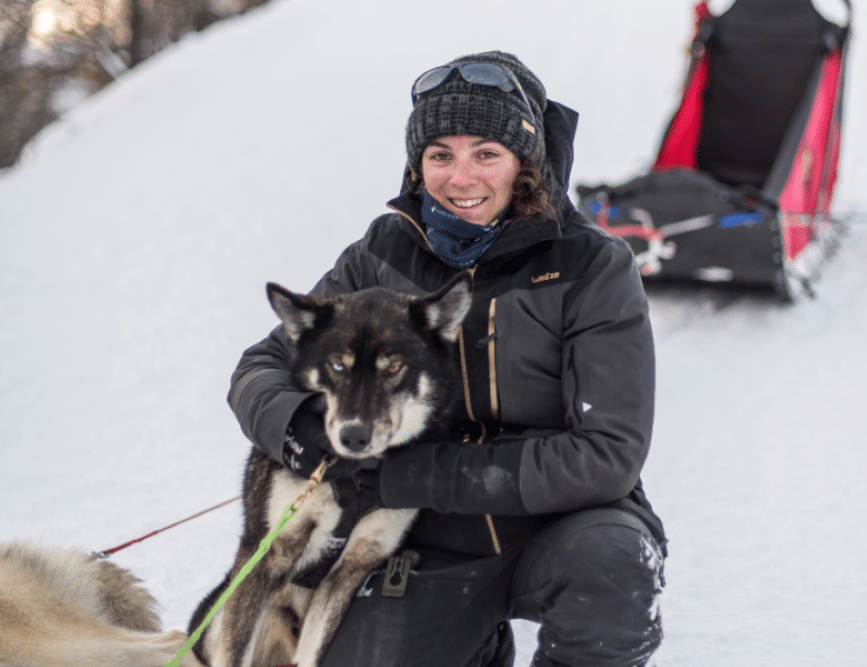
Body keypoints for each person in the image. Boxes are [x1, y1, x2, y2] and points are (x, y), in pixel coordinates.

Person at [229, 51, 667, 667]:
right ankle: (475, 649)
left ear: (525, 164)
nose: (461, 179)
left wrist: (412, 474)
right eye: (441, 156)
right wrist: (298, 426)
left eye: (485, 153)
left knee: (614, 572)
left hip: (560, 526)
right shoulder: (383, 254)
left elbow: (607, 455)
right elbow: (261, 367)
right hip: (426, 541)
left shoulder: (592, 267)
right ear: (418, 165)